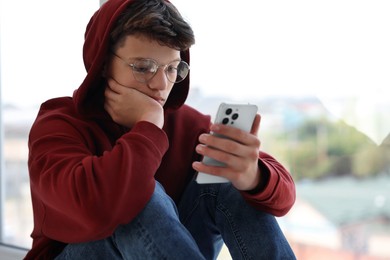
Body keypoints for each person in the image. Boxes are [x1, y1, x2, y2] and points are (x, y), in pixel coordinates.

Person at [25, 0, 296, 259]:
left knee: (225, 173)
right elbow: (98, 207)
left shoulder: (186, 124)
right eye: (144, 68)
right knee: (134, 193)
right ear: (103, 62)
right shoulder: (58, 125)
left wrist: (253, 176)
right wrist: (148, 126)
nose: (161, 85)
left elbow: (284, 198)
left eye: (172, 69)